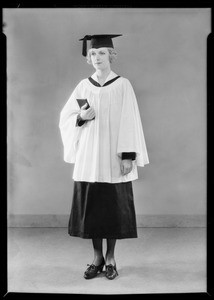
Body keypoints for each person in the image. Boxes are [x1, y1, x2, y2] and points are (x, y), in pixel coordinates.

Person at [59, 34, 149, 280]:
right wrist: (81, 118)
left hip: (112, 155)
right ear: (88, 59)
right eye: (92, 54)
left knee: (112, 208)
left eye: (101, 53)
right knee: (93, 208)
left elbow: (129, 120)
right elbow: (66, 117)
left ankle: (111, 258)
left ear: (112, 56)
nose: (97, 57)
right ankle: (96, 257)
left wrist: (127, 156)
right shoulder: (83, 86)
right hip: (90, 156)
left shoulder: (122, 85)